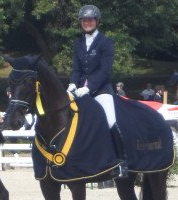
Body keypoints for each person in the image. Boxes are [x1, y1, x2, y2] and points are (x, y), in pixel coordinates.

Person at [67, 5, 128, 177]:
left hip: (101, 89)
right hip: (79, 90)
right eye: (84, 20)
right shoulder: (77, 42)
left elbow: (105, 70)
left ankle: (121, 161)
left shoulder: (106, 42)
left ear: (97, 21)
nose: (87, 22)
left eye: (90, 19)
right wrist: (72, 84)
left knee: (109, 121)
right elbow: (76, 69)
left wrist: (88, 87)